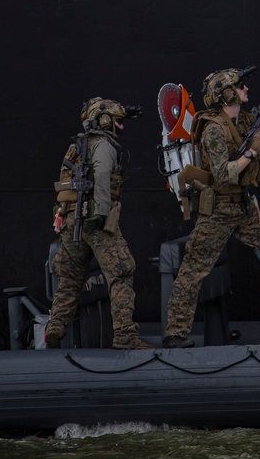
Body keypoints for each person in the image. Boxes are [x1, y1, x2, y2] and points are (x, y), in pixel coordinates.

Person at [162, 66, 260, 346]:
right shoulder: (214, 130)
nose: (245, 90)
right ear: (227, 94)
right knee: (194, 268)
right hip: (218, 210)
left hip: (243, 207)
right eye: (240, 87)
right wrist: (253, 151)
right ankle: (174, 334)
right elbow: (223, 174)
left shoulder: (245, 121)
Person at [45, 97, 150, 349]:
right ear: (104, 120)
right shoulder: (103, 145)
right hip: (95, 221)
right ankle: (125, 334)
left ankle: (54, 331)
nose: (120, 127)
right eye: (117, 121)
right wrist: (101, 214)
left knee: (69, 280)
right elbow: (102, 175)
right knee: (122, 270)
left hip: (72, 221)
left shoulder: (77, 147)